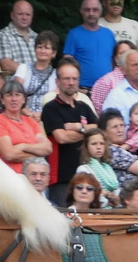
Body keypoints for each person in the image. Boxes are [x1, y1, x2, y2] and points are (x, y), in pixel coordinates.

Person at [40, 61, 99, 202]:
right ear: (58, 82)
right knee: (65, 220)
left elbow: (98, 131)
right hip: (61, 178)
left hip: (87, 176)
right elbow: (61, 138)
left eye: (75, 79)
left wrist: (78, 127)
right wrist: (86, 131)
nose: (71, 82)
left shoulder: (84, 106)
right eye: (67, 79)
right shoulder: (51, 108)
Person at [0, 0, 37, 75]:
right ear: (12, 15)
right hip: (15, 85)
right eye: (20, 14)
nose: (24, 17)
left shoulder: (37, 37)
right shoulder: (3, 36)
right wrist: (33, 74)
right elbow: (6, 65)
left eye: (28, 14)